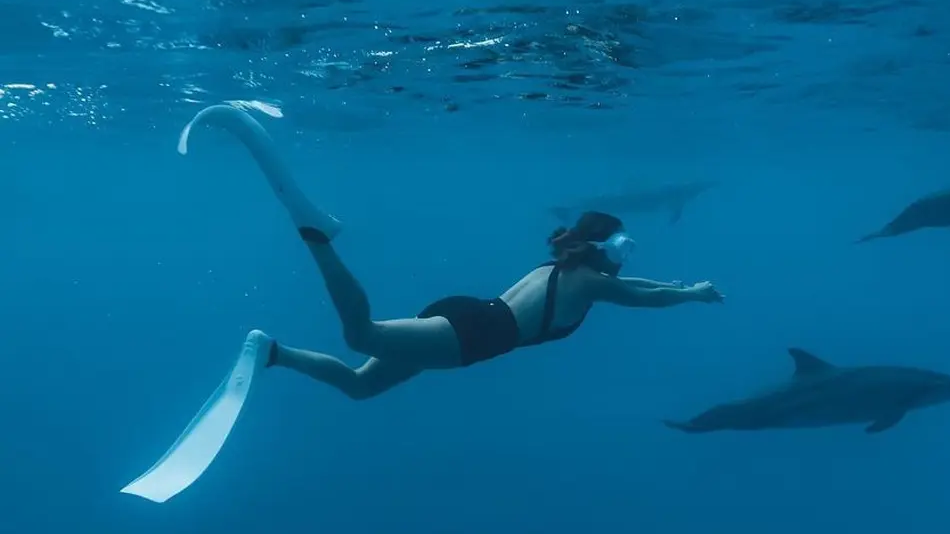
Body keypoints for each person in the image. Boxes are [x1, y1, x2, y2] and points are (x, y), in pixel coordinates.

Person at [176, 104, 724, 402]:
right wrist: (692, 294)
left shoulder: (569, 268)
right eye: (625, 246)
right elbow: (641, 296)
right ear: (604, 248)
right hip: (474, 334)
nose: (627, 258)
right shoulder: (590, 282)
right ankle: (317, 235)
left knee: (363, 385)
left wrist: (684, 289)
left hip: (468, 316)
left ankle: (273, 353)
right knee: (360, 336)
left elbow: (641, 289)